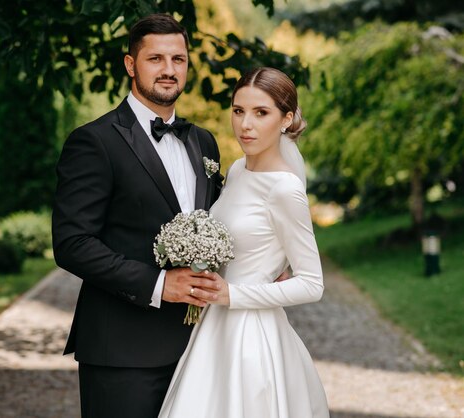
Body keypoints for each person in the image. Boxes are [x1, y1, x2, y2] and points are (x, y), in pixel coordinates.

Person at [51, 13, 225, 418]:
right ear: (131, 64)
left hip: (200, 345)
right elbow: (72, 244)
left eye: (178, 59)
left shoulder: (204, 142)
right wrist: (159, 283)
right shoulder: (94, 141)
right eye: (156, 59)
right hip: (122, 352)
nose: (169, 70)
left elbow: (217, 224)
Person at [158, 67, 330, 417]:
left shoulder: (285, 188)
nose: (245, 124)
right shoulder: (237, 170)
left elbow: (312, 284)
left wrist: (232, 294)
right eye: (238, 111)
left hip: (251, 337)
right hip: (212, 327)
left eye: (261, 113)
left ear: (286, 119)